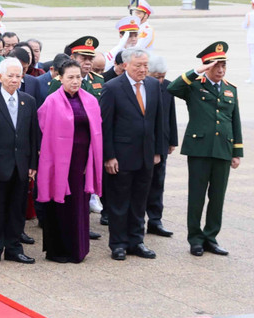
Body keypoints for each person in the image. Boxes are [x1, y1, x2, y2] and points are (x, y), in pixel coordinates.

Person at [167, 42, 242, 257]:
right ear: (206, 66)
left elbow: (235, 120)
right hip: (199, 148)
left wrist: (237, 152)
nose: (220, 70)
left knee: (217, 196)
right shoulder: (194, 85)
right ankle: (195, 239)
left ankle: (211, 237)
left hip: (223, 149)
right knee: (197, 196)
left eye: (223, 66)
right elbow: (171, 88)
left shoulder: (230, 88)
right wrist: (196, 71)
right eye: (216, 66)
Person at [37, 59, 103, 263]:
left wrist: (89, 162)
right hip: (58, 161)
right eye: (70, 77)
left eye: (78, 77)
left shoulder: (90, 100)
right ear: (60, 78)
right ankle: (58, 250)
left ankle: (78, 249)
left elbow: (97, 132)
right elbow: (43, 130)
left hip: (82, 161)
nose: (76, 81)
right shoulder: (52, 101)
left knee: (79, 204)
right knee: (60, 203)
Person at [100, 48, 163, 261]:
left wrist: (157, 151)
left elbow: (158, 122)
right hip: (121, 156)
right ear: (126, 65)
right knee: (119, 203)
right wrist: (109, 156)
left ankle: (137, 241)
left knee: (139, 201)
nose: (143, 69)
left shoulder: (154, 85)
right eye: (138, 65)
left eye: (145, 65)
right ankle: (118, 244)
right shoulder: (112, 88)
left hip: (146, 155)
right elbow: (106, 125)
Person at [0, 57, 40, 266]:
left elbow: (33, 136)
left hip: (21, 165)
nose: (14, 80)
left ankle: (14, 248)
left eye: (18, 76)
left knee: (17, 209)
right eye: (10, 76)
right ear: (0, 77)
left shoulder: (28, 101)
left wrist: (33, 165)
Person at [145, 55, 178, 238]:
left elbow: (170, 115)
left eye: (163, 76)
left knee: (158, 183)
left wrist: (172, 140)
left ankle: (155, 220)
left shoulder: (167, 86)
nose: (160, 80)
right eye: (157, 76)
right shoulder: (142, 87)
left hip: (162, 142)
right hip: (143, 143)